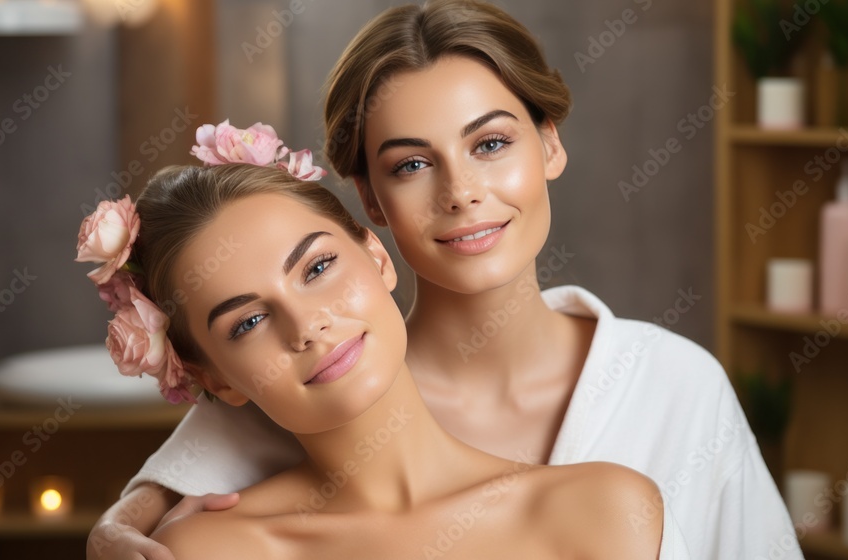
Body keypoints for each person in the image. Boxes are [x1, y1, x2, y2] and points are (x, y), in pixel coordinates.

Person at [87, 2, 800, 559]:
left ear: (549, 143)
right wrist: (118, 523)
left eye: (491, 143)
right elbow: (163, 489)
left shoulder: (675, 387)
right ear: (370, 207)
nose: (461, 192)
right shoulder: (323, 373)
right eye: (409, 165)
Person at [78, 155, 682, 557]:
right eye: (250, 321)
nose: (307, 324)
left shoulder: (603, 512)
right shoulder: (210, 551)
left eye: (317, 268)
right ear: (216, 379)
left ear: (377, 257)